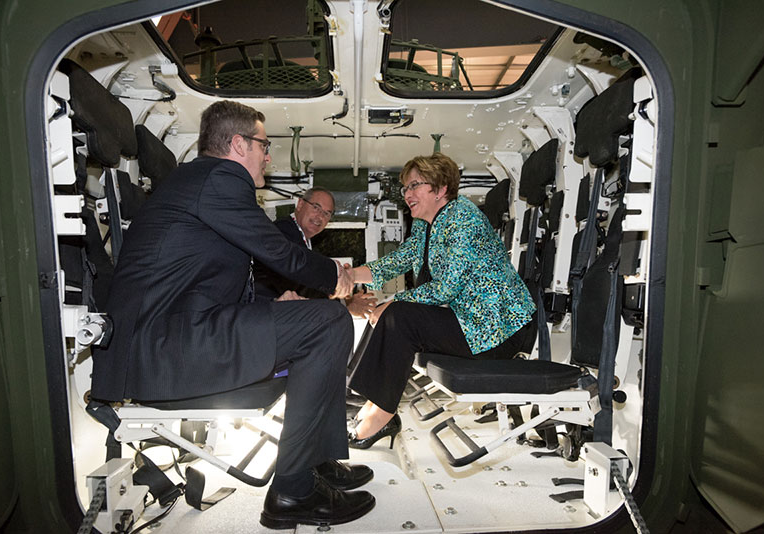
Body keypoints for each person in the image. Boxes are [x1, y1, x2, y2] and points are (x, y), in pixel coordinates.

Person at [90, 101, 375, 529]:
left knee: (320, 319)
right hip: (165, 348)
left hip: (175, 336)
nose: (269, 156)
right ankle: (293, 493)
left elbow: (206, 284)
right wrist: (338, 277)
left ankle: (315, 459)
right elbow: (277, 251)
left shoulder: (199, 183)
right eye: (264, 145)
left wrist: (270, 307)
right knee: (330, 319)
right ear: (239, 144)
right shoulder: (218, 178)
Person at [345, 153, 536, 448]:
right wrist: (349, 276)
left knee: (397, 315)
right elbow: (399, 260)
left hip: (497, 332)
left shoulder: (463, 218)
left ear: (441, 188)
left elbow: (446, 288)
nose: (407, 195)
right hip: (470, 324)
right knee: (385, 312)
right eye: (405, 189)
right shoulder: (425, 225)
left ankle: (379, 418)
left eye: (415, 186)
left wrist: (392, 304)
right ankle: (358, 400)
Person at [254, 187, 377, 318]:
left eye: (326, 213)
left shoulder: (305, 243)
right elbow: (301, 280)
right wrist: (338, 278)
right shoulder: (283, 232)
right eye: (316, 208)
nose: (319, 217)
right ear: (300, 204)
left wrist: (345, 301)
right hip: (261, 311)